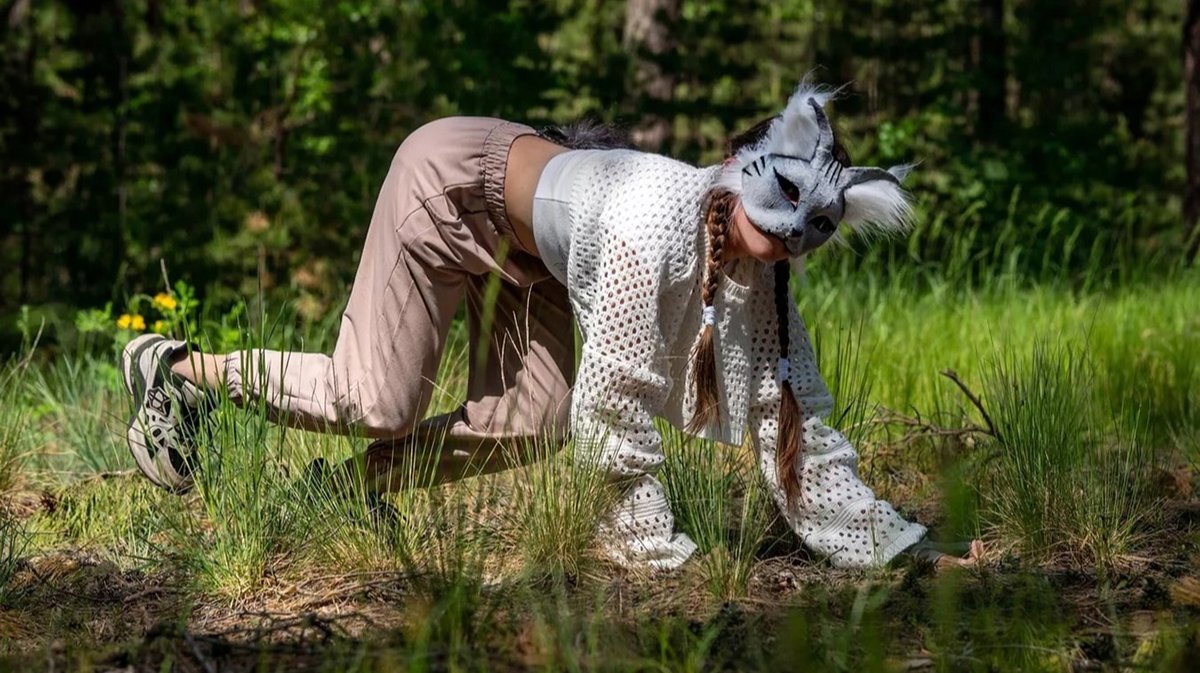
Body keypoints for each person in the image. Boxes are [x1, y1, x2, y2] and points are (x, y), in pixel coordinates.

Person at [121, 82, 982, 571]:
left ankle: (342, 495)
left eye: (811, 233)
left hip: (534, 252)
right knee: (375, 397)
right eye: (781, 213)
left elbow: (790, 409)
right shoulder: (652, 227)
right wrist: (653, 550)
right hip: (455, 185)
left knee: (528, 423)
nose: (789, 239)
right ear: (742, 174)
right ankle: (180, 369)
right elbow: (612, 407)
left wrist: (892, 544)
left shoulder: (755, 264)